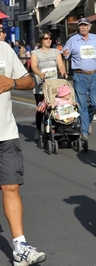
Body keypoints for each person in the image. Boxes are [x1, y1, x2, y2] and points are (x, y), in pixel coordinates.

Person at [0, 40, 47, 266]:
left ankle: (20, 246)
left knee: (11, 186)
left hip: (5, 132)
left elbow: (29, 81)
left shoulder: (4, 49)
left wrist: (12, 82)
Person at [62, 17, 96, 140]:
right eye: (81, 25)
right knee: (82, 105)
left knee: (95, 104)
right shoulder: (72, 40)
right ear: (78, 27)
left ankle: (87, 121)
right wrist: (64, 54)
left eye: (85, 25)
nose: (83, 27)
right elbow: (65, 53)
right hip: (79, 75)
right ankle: (84, 132)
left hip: (95, 75)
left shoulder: (95, 38)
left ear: (89, 27)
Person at [31, 30, 68, 141]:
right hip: (41, 86)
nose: (48, 40)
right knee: (41, 110)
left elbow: (60, 64)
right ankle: (38, 129)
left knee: (55, 107)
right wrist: (40, 74)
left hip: (53, 86)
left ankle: (54, 129)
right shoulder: (35, 53)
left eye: (50, 38)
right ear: (41, 40)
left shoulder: (55, 52)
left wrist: (63, 71)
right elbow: (33, 66)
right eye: (46, 38)